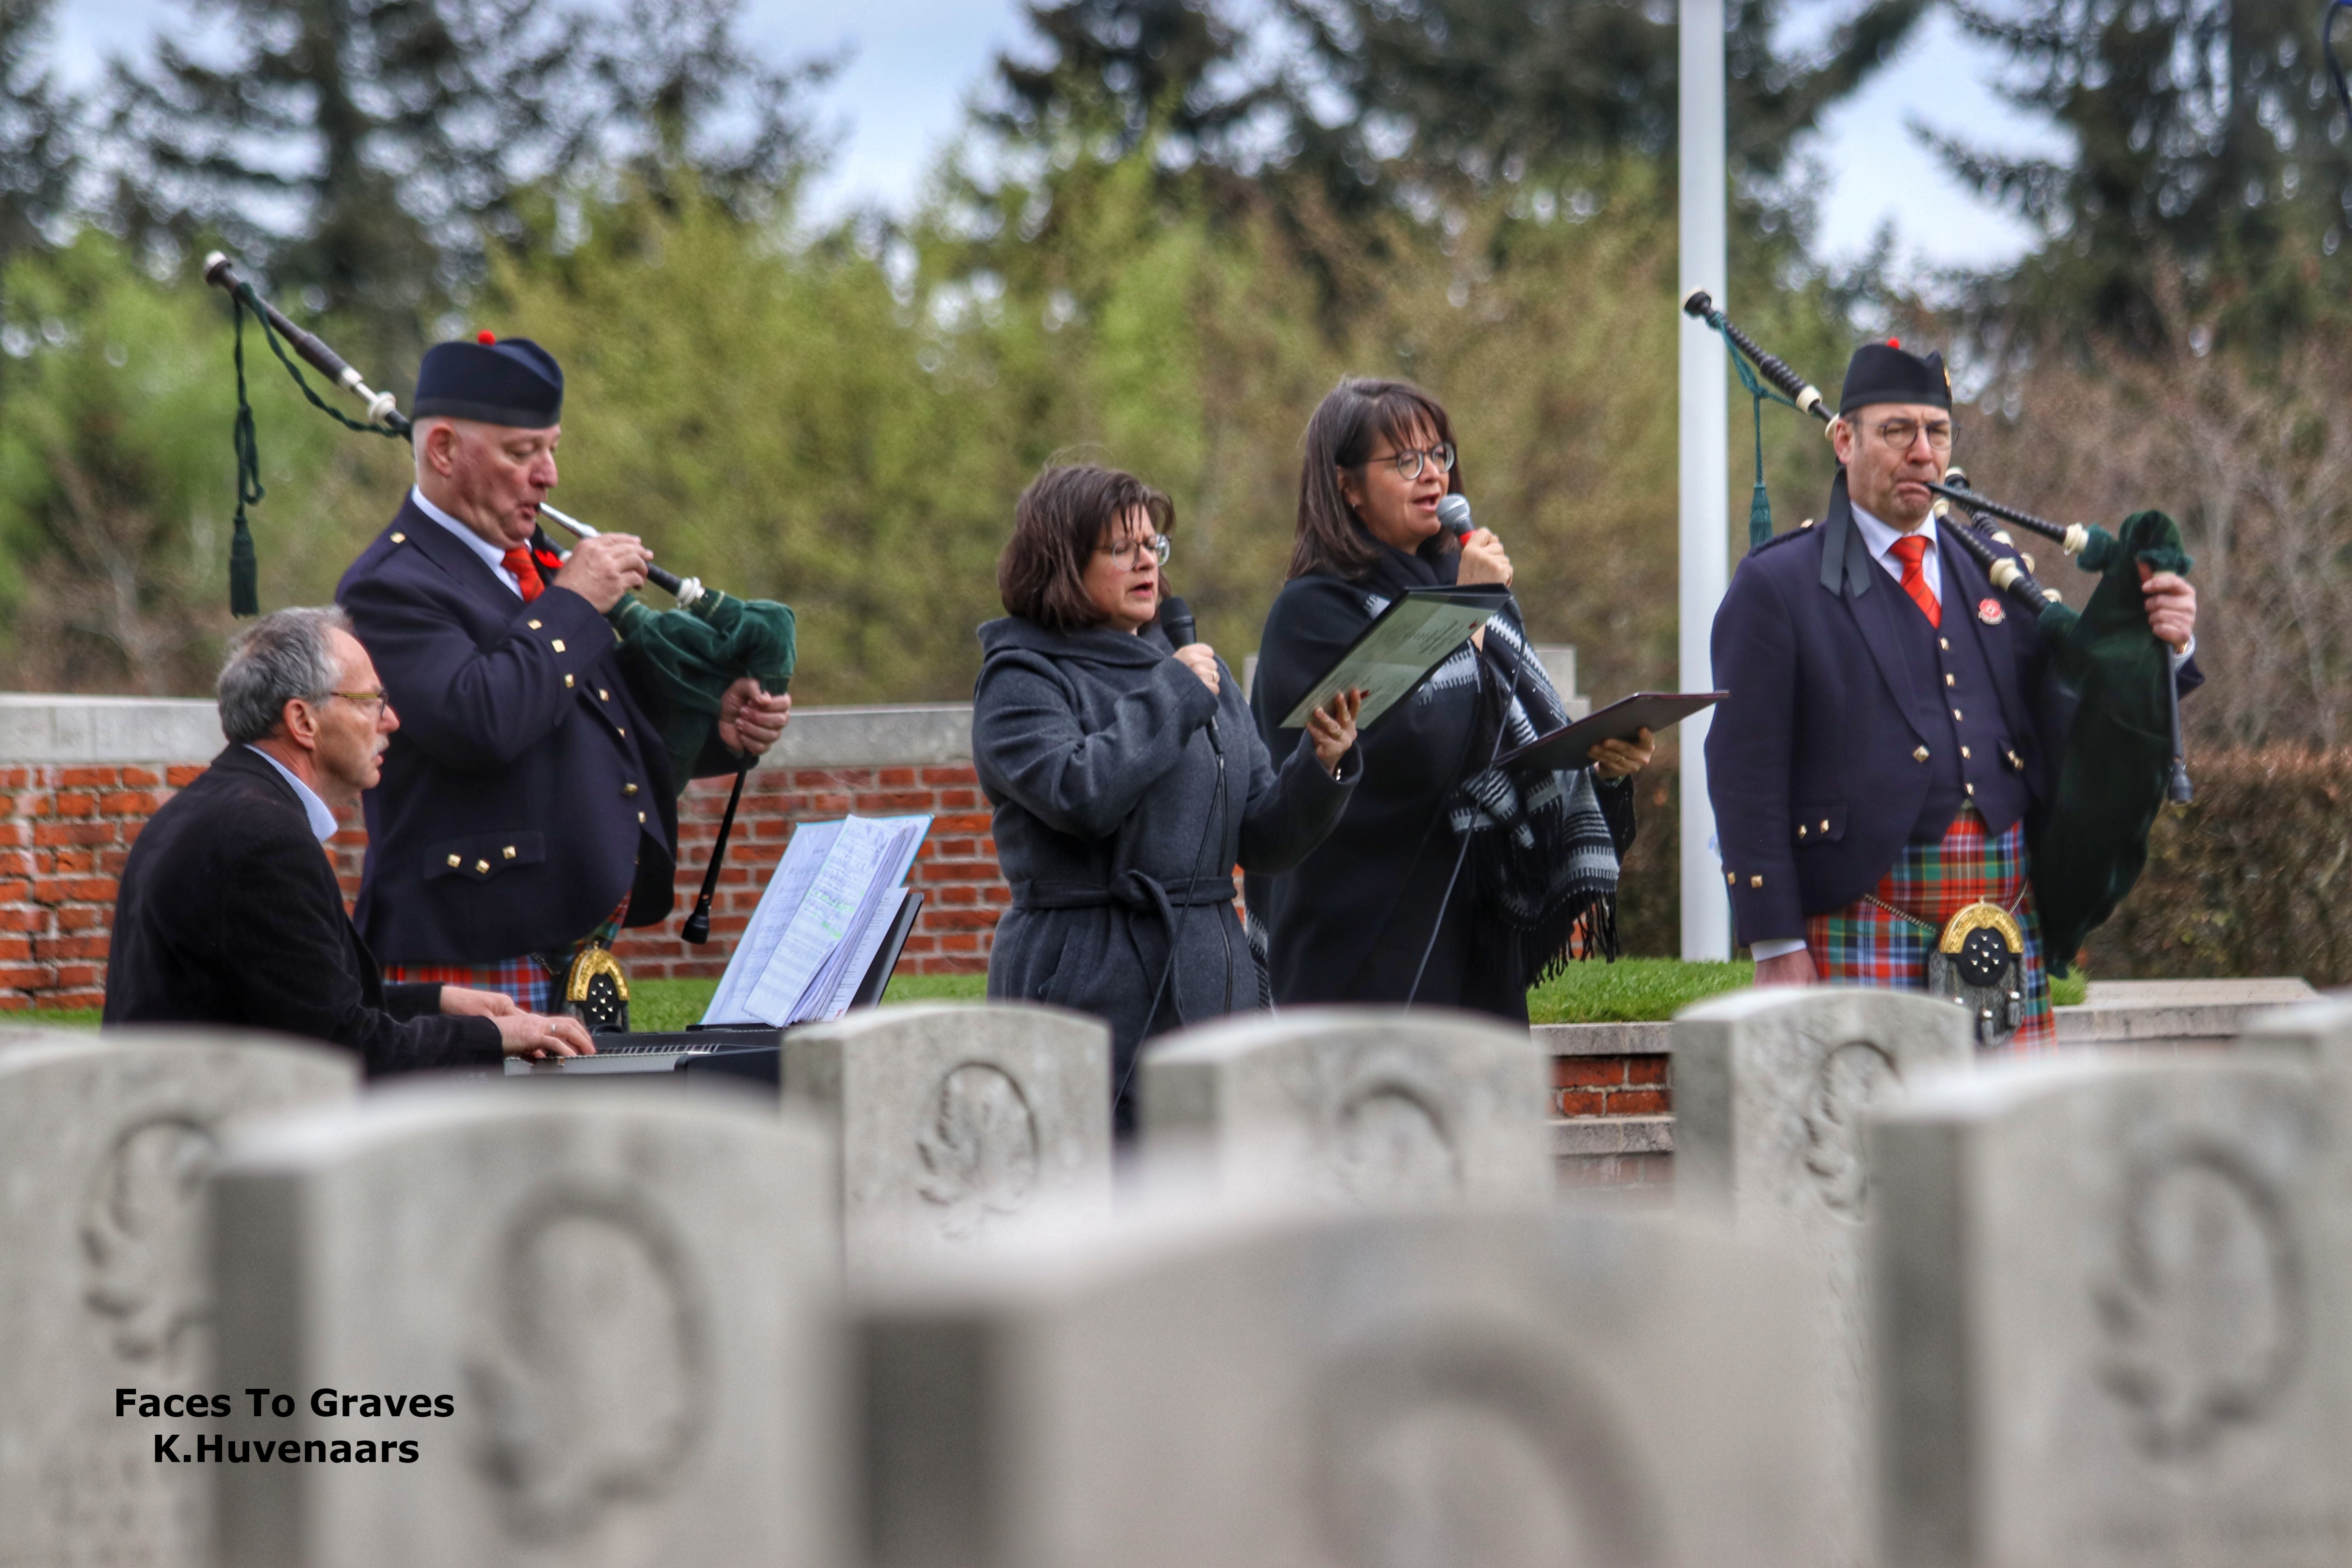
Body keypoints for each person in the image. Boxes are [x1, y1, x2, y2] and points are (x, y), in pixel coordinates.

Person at [1706, 340, 2200, 1047]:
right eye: (1896, 431)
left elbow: (2076, 701)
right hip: (1862, 915)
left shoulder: (1994, 575)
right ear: (1844, 440)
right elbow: (1744, 772)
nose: (1921, 453)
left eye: (1936, 432)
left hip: (2001, 914)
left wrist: (2166, 645)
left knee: (2007, 1151)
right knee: (1870, 1146)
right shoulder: (1778, 586)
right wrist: (1774, 942)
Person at [335, 332, 792, 1011]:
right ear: (444, 450)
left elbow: (591, 728)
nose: (547, 474)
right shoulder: (391, 585)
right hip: (467, 953)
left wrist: (717, 724)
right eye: (522, 453)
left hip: (575, 945)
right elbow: (481, 720)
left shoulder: (536, 567)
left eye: (552, 448)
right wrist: (575, 602)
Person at [1248, 378, 1653, 1025]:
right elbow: (1408, 748)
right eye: (1404, 461)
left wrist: (1599, 765)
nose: (1432, 475)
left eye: (1440, 454)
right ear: (1346, 485)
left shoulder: (1469, 591)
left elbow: (1517, 748)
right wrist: (1464, 615)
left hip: (1474, 931)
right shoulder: (1314, 611)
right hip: (1360, 945)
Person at [975, 464, 1365, 1132]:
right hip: (1084, 983)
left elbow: (1264, 840)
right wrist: (1175, 695)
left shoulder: (1190, 665)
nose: (1146, 563)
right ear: (1062, 561)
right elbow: (1080, 793)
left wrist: (1320, 764)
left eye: (1153, 546)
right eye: (1121, 548)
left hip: (1214, 981)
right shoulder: (1021, 677)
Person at [104, 608, 594, 1073]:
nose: (391, 721)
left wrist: (439, 1001)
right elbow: (344, 1050)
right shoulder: (263, 839)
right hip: (215, 1145)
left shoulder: (212, 809)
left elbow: (298, 1005)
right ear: (303, 722)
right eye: (370, 702)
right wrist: (492, 1035)